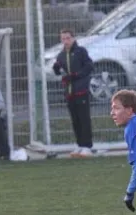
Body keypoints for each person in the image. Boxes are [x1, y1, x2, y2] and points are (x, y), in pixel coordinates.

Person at [52, 29, 94, 158]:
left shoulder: (81, 52)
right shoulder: (61, 55)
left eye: (68, 38)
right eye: (63, 39)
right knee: (75, 120)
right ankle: (79, 144)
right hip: (69, 93)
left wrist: (75, 76)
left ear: (73, 38)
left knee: (84, 118)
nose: (65, 41)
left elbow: (89, 67)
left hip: (81, 90)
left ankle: (87, 146)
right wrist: (56, 69)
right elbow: (59, 70)